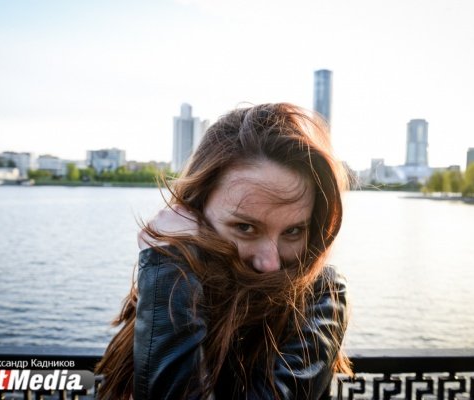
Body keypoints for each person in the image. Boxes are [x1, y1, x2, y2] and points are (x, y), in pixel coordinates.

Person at [96, 103, 351, 399]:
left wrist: (167, 266)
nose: (269, 263)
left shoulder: (320, 293)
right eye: (245, 227)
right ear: (196, 210)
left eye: (293, 231)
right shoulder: (179, 281)